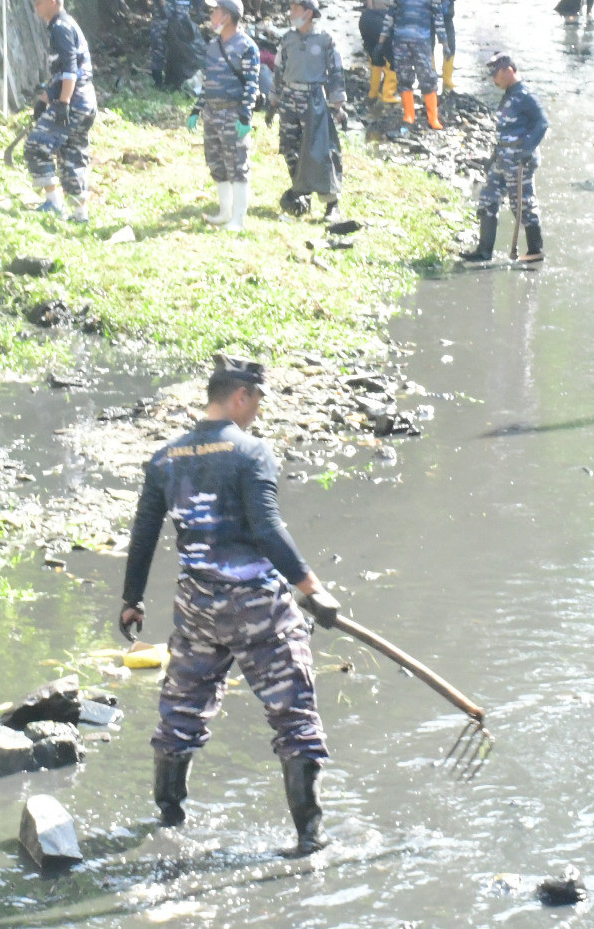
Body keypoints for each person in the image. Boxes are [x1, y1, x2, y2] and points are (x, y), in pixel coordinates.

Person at [119, 354, 343, 856]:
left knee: (181, 712)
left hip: (197, 608)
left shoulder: (165, 458)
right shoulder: (251, 453)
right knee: (295, 718)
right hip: (258, 610)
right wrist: (312, 590)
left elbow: (144, 533)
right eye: (258, 399)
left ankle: (168, 820)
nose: (259, 410)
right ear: (241, 395)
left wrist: (132, 600)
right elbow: (267, 528)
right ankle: (310, 838)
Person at [461, 52, 548, 263]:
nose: (493, 79)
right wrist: (494, 157)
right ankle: (484, 251)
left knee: (523, 204)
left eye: (496, 74)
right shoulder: (509, 94)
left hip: (519, 159)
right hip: (502, 157)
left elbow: (542, 123)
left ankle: (535, 251)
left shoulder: (525, 95)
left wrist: (527, 150)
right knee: (488, 199)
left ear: (509, 70)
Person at [24, 0, 96, 223]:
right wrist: (44, 98)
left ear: (52, 1)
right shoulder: (64, 24)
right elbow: (60, 72)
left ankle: (54, 204)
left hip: (73, 101)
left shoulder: (60, 27)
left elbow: (70, 69)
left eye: (39, 1)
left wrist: (63, 103)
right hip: (85, 101)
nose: (36, 5)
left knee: (36, 146)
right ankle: (80, 215)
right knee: (72, 156)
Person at [187, 0, 258, 231]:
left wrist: (245, 116)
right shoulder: (213, 45)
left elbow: (251, 84)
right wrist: (197, 109)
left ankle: (238, 218)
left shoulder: (246, 47)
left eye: (215, 11)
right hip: (212, 113)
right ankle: (224, 212)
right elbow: (208, 81)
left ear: (227, 17)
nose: (211, 15)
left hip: (233, 114)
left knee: (237, 165)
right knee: (217, 163)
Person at [272, 0, 345, 219]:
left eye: (295, 9)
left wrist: (338, 105)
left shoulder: (325, 39)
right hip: (288, 99)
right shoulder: (287, 39)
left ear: (309, 13)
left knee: (320, 152)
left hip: (313, 100)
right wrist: (273, 100)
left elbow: (336, 71)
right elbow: (279, 70)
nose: (291, 13)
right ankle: (301, 194)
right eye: (291, 8)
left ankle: (332, 204)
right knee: (289, 148)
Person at [381, 0, 448, 131]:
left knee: (428, 78)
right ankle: (408, 116)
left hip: (422, 42)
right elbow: (390, 15)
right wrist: (381, 41)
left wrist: (444, 43)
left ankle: (433, 118)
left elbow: (439, 19)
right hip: (400, 41)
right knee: (403, 78)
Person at [425, 0, 460, 92]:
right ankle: (431, 76)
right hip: (428, 15)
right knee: (428, 45)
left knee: (450, 45)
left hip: (446, 16)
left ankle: (447, 79)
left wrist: (448, 1)